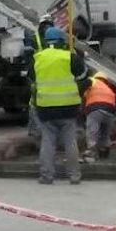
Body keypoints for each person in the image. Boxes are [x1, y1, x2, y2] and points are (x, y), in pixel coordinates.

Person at [30, 26, 88, 184]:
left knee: (48, 141)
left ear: (46, 41)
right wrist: (74, 50)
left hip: (45, 107)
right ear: (62, 42)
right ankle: (74, 175)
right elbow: (82, 72)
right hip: (69, 106)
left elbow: (31, 78)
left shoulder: (38, 57)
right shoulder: (68, 57)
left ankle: (46, 176)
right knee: (70, 141)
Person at [26, 15, 56, 142]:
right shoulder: (55, 38)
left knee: (35, 104)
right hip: (51, 73)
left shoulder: (34, 38)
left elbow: (29, 57)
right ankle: (42, 132)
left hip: (39, 73)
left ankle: (36, 133)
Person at [82, 72, 116, 162]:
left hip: (95, 108)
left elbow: (83, 96)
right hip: (110, 110)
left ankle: (91, 152)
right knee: (105, 133)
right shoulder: (108, 88)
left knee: (92, 131)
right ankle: (104, 152)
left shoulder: (92, 81)